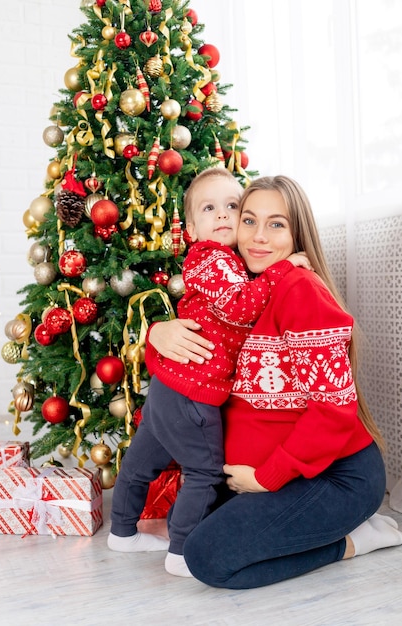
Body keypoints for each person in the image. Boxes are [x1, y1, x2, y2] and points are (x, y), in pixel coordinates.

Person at [148, 174, 402, 589]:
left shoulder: (298, 290)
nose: (258, 237)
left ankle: (355, 539)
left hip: (337, 477)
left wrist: (266, 479)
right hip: (270, 473)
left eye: (276, 224)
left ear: (297, 233)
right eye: (248, 221)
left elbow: (333, 411)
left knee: (205, 558)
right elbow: (199, 361)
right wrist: (156, 335)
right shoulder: (242, 289)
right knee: (192, 521)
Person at [108, 168, 311, 577]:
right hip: (193, 390)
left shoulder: (235, 261)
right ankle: (182, 551)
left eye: (232, 207)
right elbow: (239, 307)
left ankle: (122, 532)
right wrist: (284, 268)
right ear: (193, 228)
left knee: (142, 460)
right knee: (204, 470)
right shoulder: (209, 260)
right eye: (209, 208)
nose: (222, 215)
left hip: (174, 383)